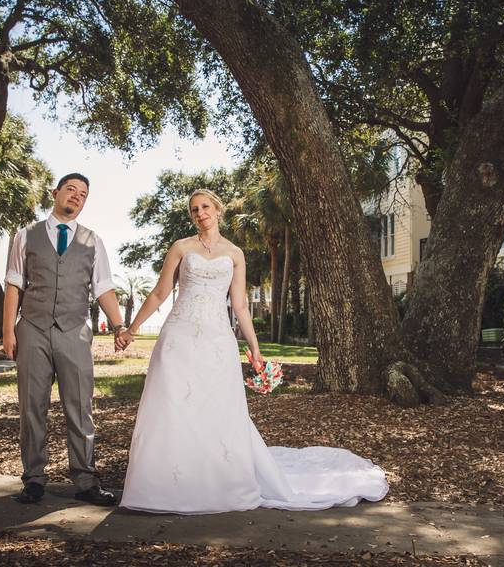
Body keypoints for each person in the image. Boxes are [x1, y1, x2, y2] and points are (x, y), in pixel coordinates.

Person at [116, 189, 388, 514]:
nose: (199, 213)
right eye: (193, 210)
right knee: (172, 405)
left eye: (205, 207)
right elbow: (161, 293)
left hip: (218, 339)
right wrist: (131, 329)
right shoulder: (181, 247)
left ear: (218, 211)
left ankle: (215, 480)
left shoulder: (235, 254)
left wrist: (255, 350)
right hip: (179, 336)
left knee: (215, 408)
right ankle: (166, 484)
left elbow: (241, 305)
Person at [2, 173, 124, 506]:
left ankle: (86, 480)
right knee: (31, 407)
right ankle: (34, 479)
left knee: (80, 408)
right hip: (33, 329)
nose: (76, 196)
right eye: (71, 189)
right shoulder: (25, 236)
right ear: (56, 193)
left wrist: (118, 326)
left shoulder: (93, 241)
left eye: (83, 194)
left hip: (75, 331)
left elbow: (104, 288)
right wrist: (8, 331)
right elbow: (14, 284)